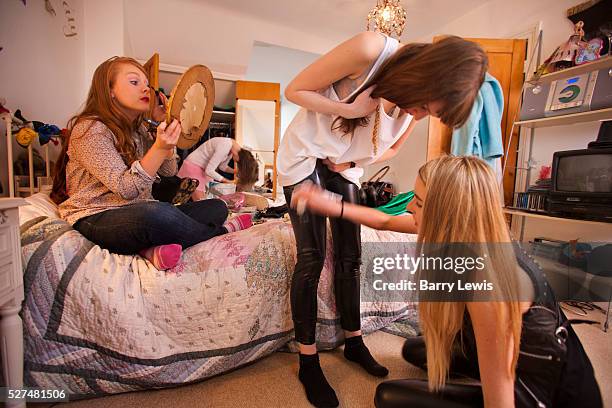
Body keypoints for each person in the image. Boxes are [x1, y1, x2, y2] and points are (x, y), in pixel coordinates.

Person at [277, 31, 488, 408]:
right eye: (425, 106)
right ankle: (308, 361)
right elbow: (295, 90)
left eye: (430, 114)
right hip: (305, 155)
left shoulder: (416, 105)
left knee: (351, 256)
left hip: (344, 163)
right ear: (425, 77)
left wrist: (351, 162)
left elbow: (392, 146)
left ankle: (354, 341)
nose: (420, 115)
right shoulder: (372, 49)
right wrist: (350, 110)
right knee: (311, 257)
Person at [291, 155, 602, 408]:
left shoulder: (488, 283)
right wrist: (329, 204)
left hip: (546, 393)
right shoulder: (474, 231)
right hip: (529, 355)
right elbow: (385, 220)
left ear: (448, 213)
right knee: (416, 350)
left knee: (388, 397)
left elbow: (501, 401)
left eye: (421, 203)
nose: (410, 207)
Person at [50, 57, 252, 271]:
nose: (146, 89)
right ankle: (220, 233)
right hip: (96, 215)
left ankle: (149, 249)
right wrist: (158, 146)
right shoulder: (91, 129)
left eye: (147, 84)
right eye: (134, 82)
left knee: (216, 207)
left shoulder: (138, 130)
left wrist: (164, 135)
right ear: (109, 90)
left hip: (137, 211)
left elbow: (169, 171)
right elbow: (127, 189)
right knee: (158, 215)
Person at [177, 137, 259, 201]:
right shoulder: (225, 146)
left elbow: (222, 167)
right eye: (238, 163)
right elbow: (209, 170)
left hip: (203, 169)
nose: (236, 162)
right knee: (200, 201)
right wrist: (228, 181)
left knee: (207, 198)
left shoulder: (233, 149)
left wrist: (235, 171)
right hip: (194, 166)